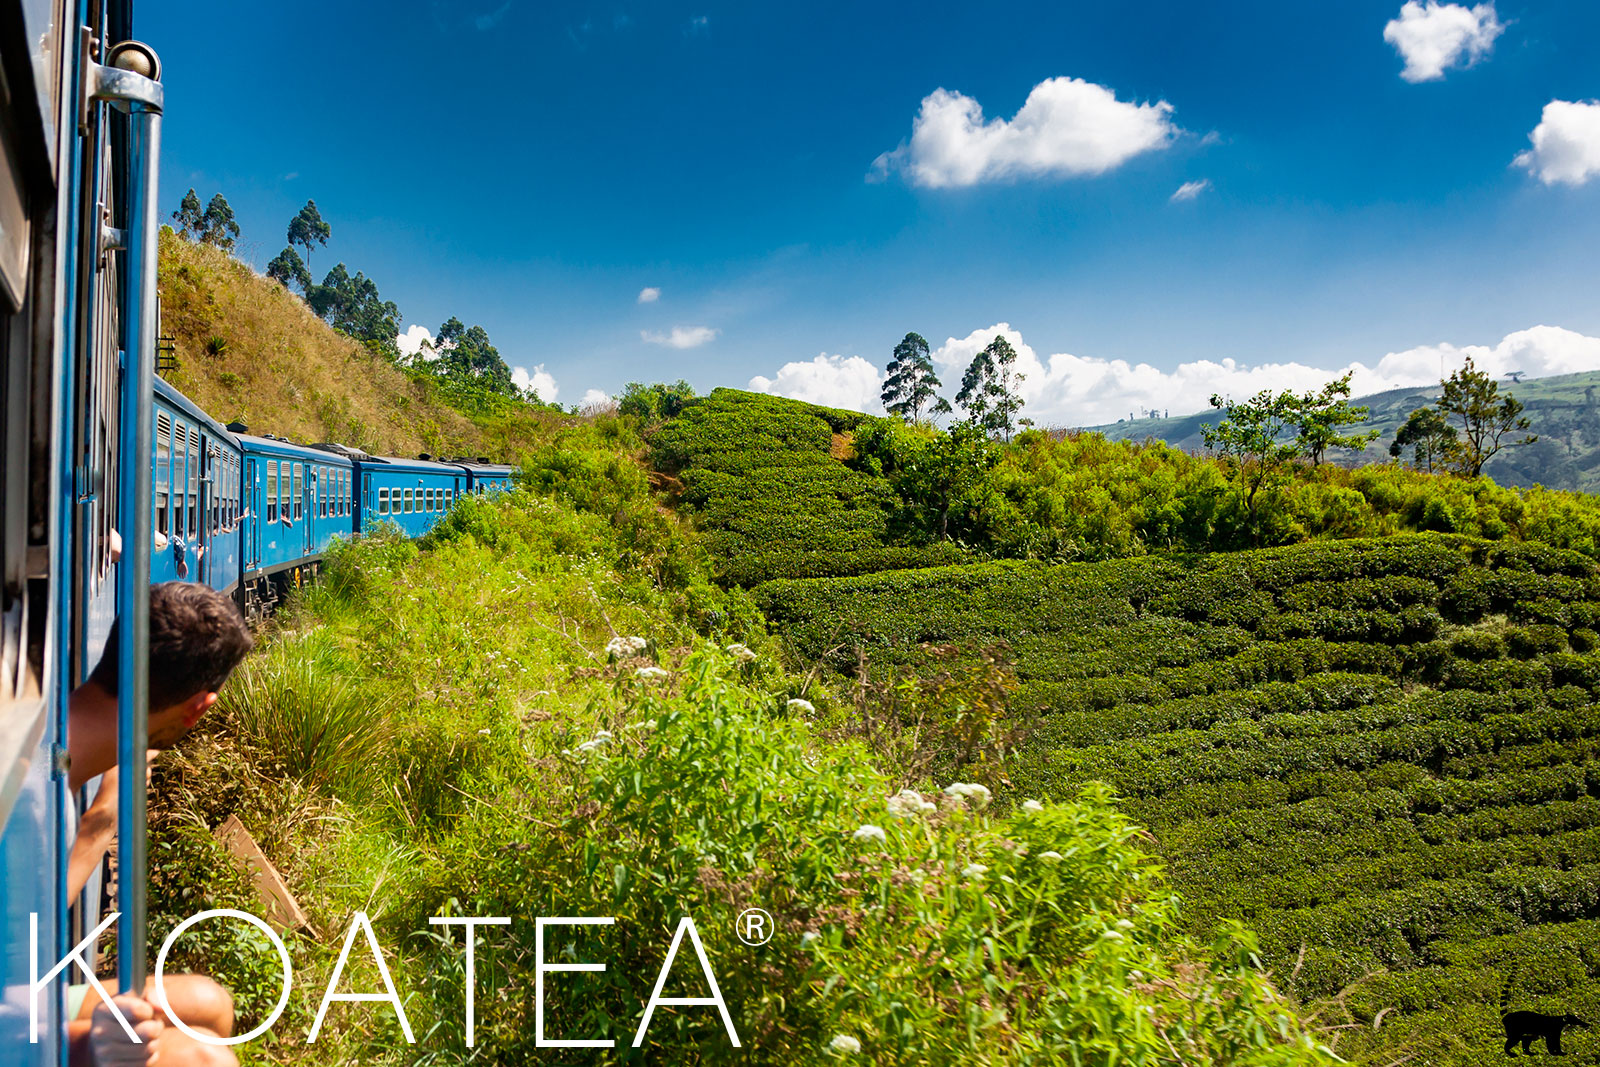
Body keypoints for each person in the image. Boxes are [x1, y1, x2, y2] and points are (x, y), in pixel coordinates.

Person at [64, 582, 254, 1067]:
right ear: (198, 708)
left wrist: (102, 816)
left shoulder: (58, 756)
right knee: (203, 1060)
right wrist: (83, 1046)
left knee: (209, 1003)